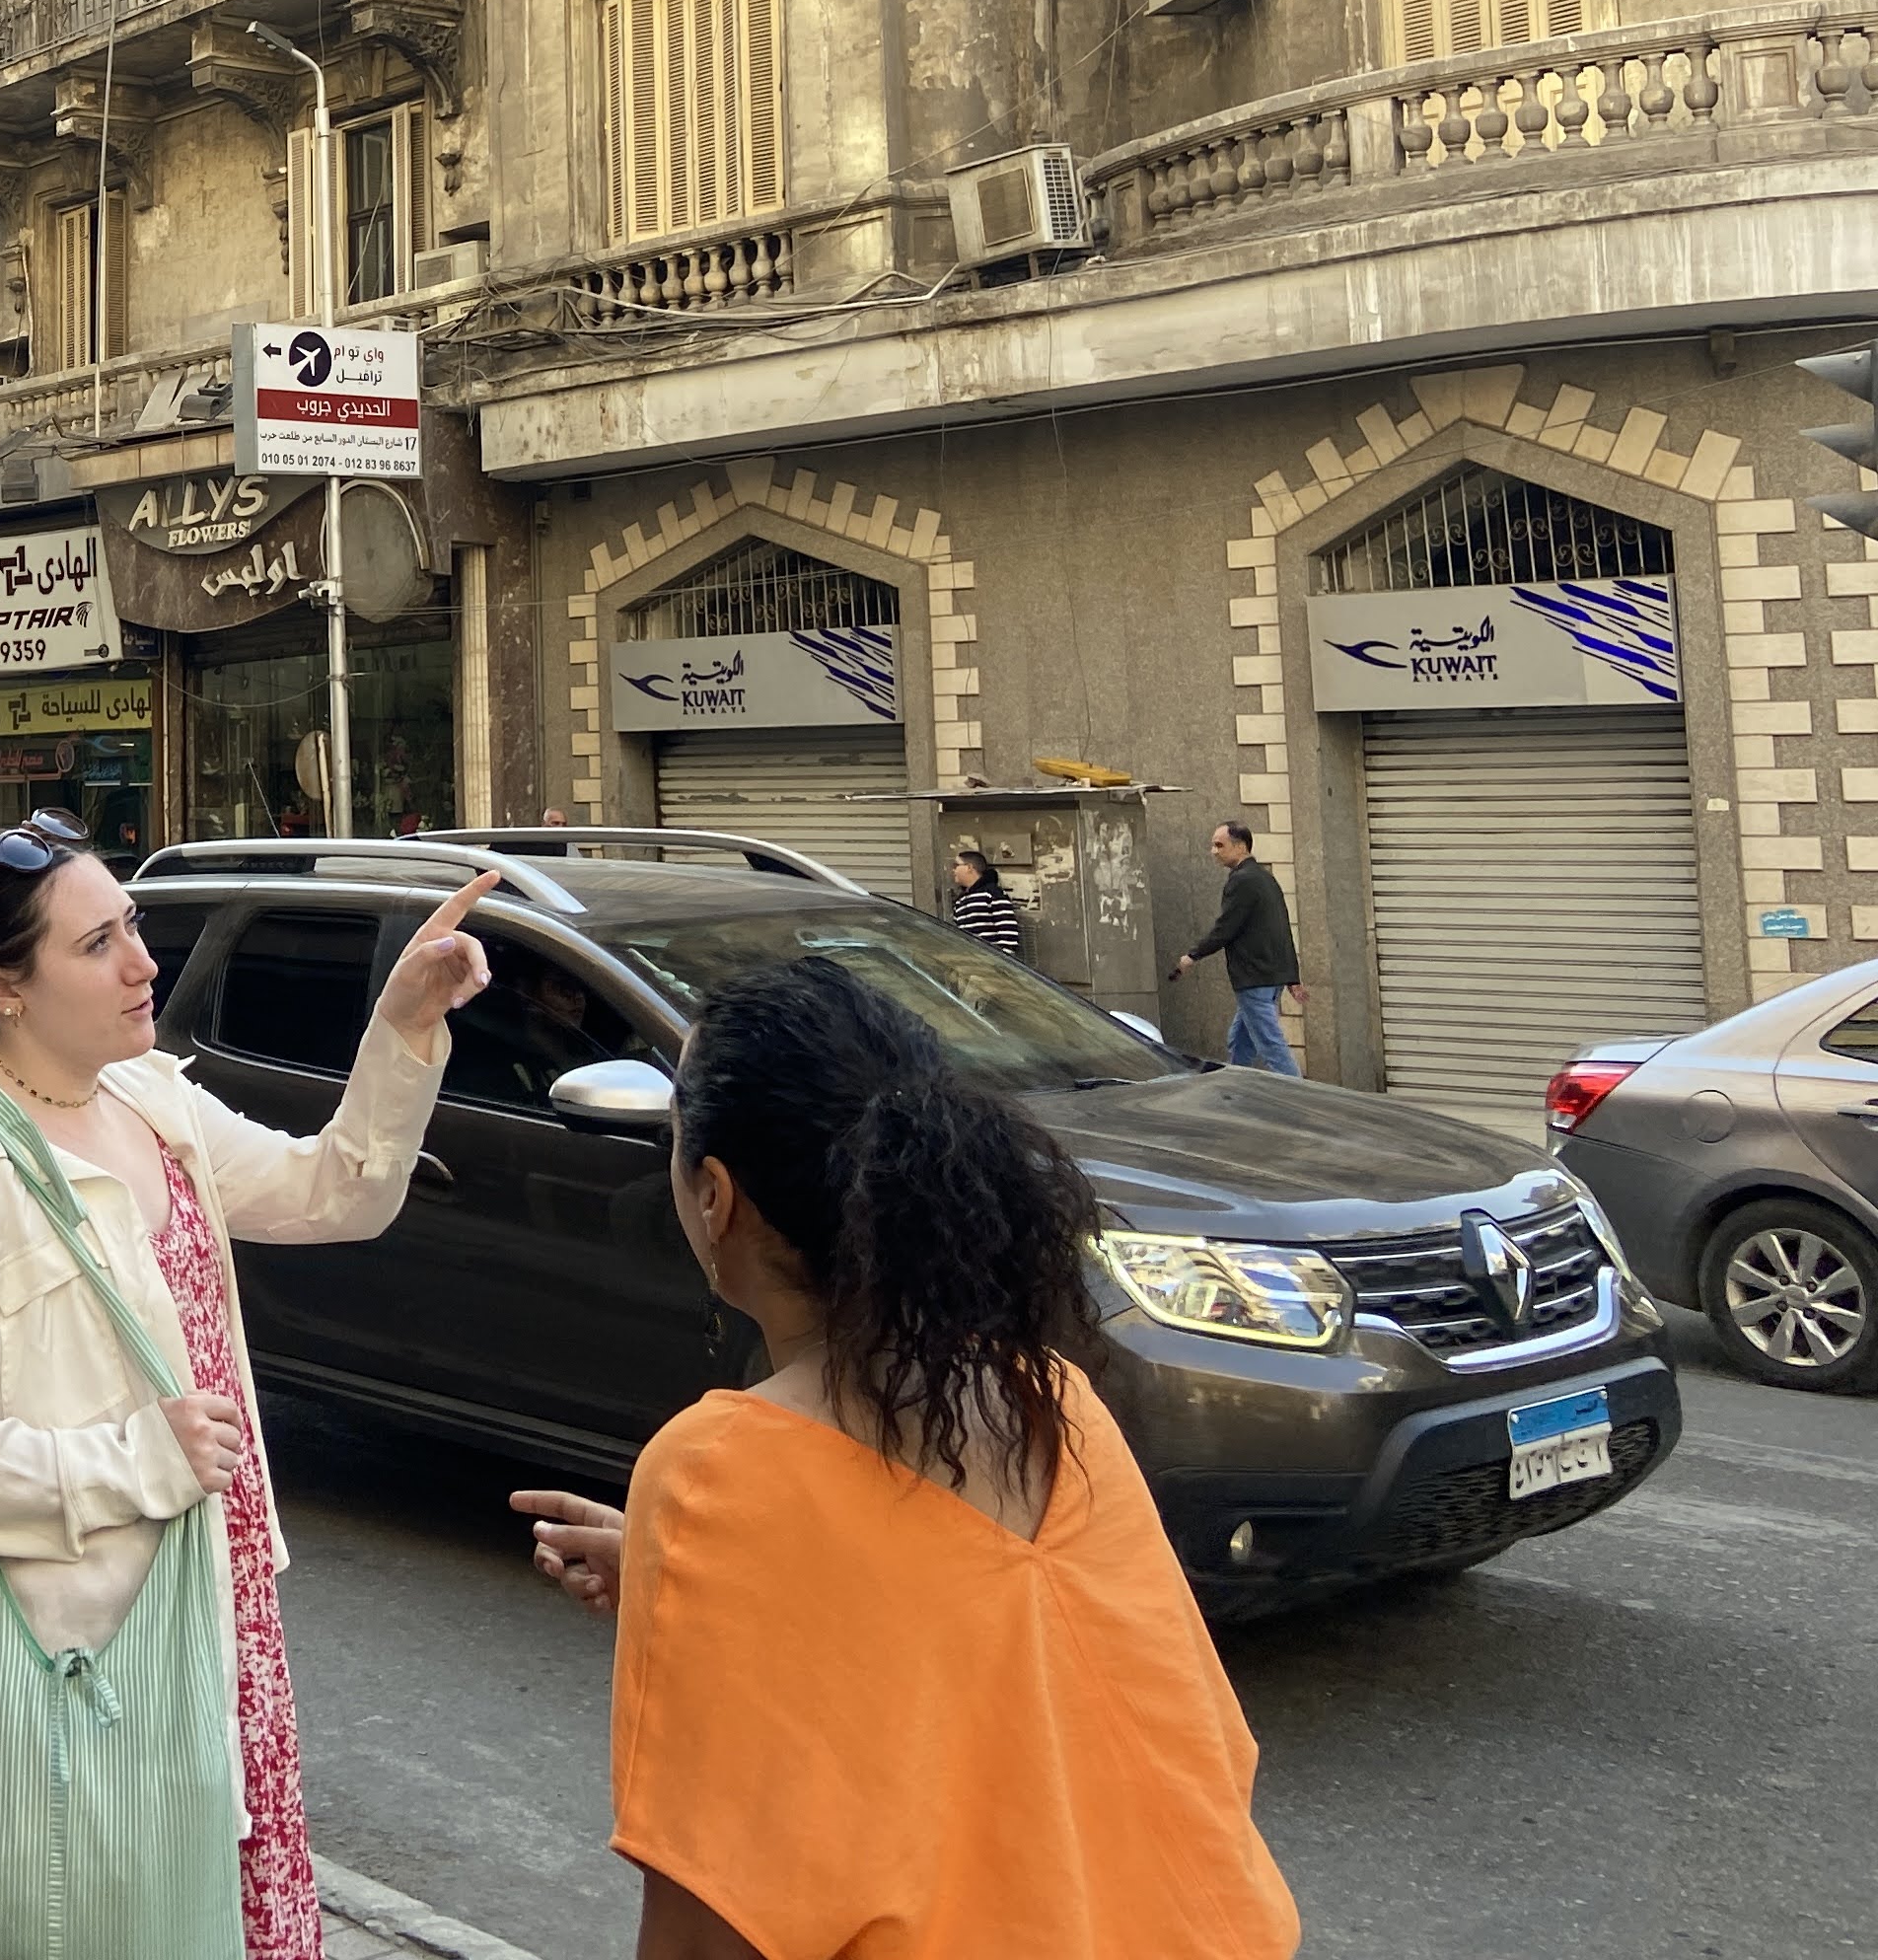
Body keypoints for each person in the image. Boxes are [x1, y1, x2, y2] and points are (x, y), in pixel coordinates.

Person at [507, 961, 1301, 1960]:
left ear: (715, 1196)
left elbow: (713, 1927)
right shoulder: (1048, 1395)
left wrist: (701, 1544)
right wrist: (696, 1581)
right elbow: (989, 1657)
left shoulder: (717, 1473)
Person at [0, 820, 488, 1960]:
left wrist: (404, 1023)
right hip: (77, 1637)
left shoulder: (152, 1102)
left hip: (219, 1592)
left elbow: (336, 1192)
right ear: (3, 987)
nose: (143, 962)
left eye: (132, 928)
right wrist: (133, 1457)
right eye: (98, 945)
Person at [1173, 821, 1304, 1074]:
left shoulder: (1242, 881)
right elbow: (1282, 927)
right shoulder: (1265, 878)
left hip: (1254, 977)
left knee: (1271, 1046)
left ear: (1241, 847)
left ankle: (1301, 1096)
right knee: (1240, 1041)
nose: (1214, 851)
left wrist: (1193, 955)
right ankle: (1237, 1089)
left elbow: (1226, 927)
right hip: (1270, 977)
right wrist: (1291, 976)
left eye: (1219, 845)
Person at [943, 845, 1024, 961]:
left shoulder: (992, 894)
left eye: (956, 865)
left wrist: (1004, 960)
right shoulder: (960, 901)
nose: (953, 870)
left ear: (969, 867)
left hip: (992, 962)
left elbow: (1007, 928)